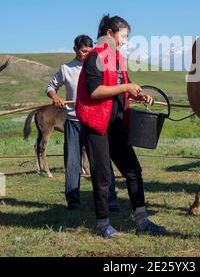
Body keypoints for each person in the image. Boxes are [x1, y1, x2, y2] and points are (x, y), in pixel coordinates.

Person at [76, 15, 167, 238]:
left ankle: (142, 221)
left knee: (133, 170)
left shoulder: (118, 59)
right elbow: (96, 91)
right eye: (123, 36)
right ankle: (103, 225)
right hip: (97, 125)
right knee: (103, 176)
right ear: (109, 34)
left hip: (117, 124)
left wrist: (137, 95)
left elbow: (119, 91)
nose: (125, 41)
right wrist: (126, 86)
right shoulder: (95, 58)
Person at [46, 35, 119, 211]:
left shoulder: (98, 65)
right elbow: (50, 86)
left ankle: (111, 199)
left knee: (102, 161)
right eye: (83, 51)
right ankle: (73, 202)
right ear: (75, 49)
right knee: (72, 162)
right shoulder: (66, 69)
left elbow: (113, 85)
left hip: (95, 120)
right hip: (73, 120)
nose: (86, 54)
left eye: (89, 51)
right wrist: (55, 96)